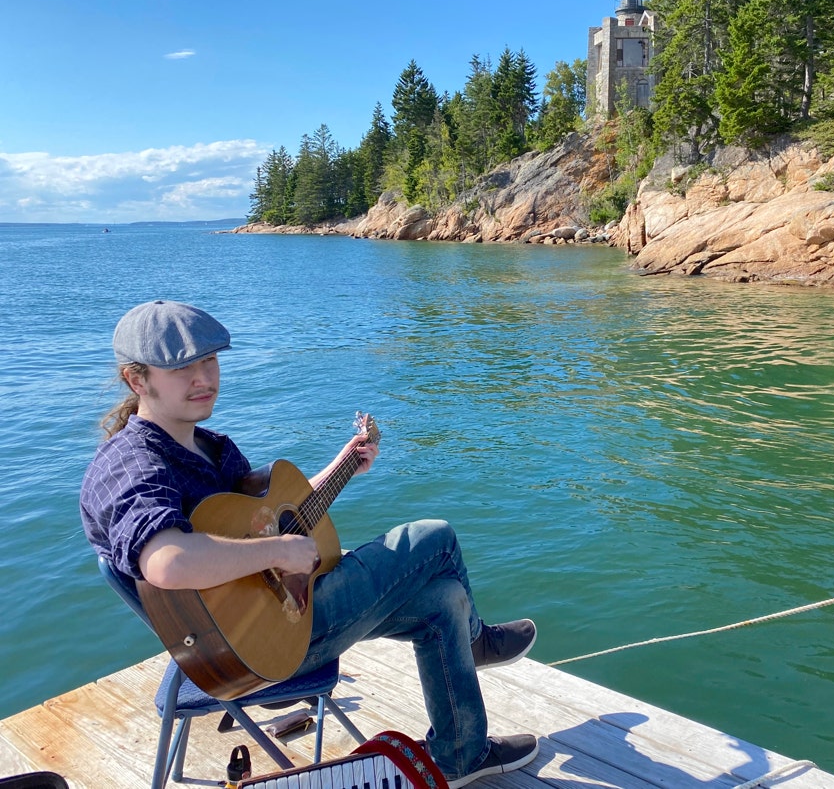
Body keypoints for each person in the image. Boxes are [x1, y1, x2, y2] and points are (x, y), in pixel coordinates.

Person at [80, 300, 539, 787]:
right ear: (137, 380)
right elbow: (168, 562)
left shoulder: (210, 446)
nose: (203, 378)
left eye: (209, 361)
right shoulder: (130, 465)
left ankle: (461, 755)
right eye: (181, 369)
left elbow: (276, 522)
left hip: (279, 623)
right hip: (256, 650)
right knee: (434, 538)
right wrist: (277, 554)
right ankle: (479, 642)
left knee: (444, 600)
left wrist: (342, 467)